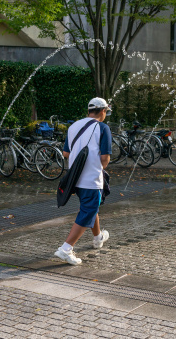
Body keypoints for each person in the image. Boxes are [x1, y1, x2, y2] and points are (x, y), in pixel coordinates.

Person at [54, 97, 112, 265]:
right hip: (91, 178)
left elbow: (66, 154)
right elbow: (105, 158)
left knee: (91, 206)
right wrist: (98, 168)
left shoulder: (73, 126)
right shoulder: (102, 128)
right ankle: (66, 248)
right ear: (102, 111)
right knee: (88, 210)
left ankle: (98, 237)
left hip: (75, 177)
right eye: (106, 112)